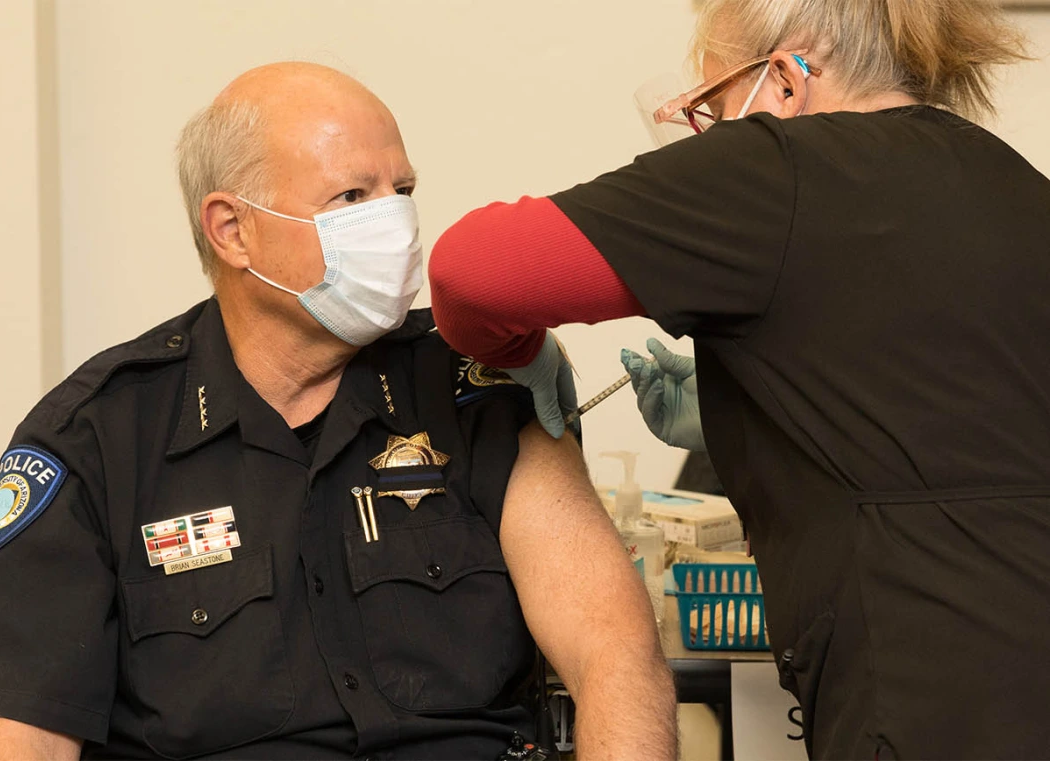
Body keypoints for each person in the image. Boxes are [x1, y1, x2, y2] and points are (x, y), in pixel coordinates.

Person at [0, 63, 676, 760]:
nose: (397, 223)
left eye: (402, 191)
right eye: (352, 198)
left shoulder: (472, 385)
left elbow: (615, 652)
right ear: (232, 229)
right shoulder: (97, 439)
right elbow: (23, 736)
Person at [428, 0, 1050, 757]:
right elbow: (934, 424)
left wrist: (526, 352)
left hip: (924, 695)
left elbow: (472, 273)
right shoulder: (1012, 182)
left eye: (715, 108)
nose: (713, 136)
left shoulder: (778, 165)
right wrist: (749, 419)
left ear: (784, 83)